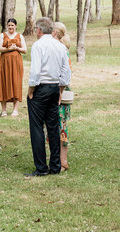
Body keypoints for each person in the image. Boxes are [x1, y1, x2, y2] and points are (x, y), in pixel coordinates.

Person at [26, 17, 72, 177]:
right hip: (54, 87)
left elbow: (35, 71)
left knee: (37, 127)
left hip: (41, 87)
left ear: (39, 30)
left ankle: (41, 167)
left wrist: (31, 89)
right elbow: (66, 70)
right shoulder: (60, 46)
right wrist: (60, 90)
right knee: (53, 127)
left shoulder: (38, 45)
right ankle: (55, 165)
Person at [52, 21, 73, 171]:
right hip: (53, 89)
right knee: (52, 126)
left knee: (61, 126)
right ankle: (55, 158)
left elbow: (66, 73)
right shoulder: (55, 48)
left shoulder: (62, 50)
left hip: (60, 90)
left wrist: (59, 92)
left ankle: (63, 161)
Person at [0, 18, 26, 116]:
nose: (10, 27)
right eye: (9, 25)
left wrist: (16, 48)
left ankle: (15, 109)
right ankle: (4, 110)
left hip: (16, 62)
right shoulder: (2, 35)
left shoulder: (20, 36)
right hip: (4, 62)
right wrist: (9, 49)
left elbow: (25, 50)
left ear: (16, 26)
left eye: (12, 25)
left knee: (16, 82)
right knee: (3, 82)